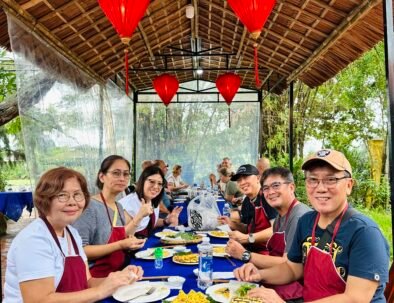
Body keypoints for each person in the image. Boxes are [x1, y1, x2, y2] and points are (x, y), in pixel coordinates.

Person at [234, 149, 390, 303]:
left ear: (349, 185)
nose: (321, 188)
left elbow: (355, 299)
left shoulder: (365, 233)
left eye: (331, 179)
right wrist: (259, 274)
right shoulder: (307, 221)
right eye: (313, 180)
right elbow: (292, 269)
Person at [4, 167, 143, 303]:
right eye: (62, 195)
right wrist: (101, 291)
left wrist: (120, 279)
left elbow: (87, 281)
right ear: (45, 200)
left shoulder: (72, 233)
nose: (72, 202)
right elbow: (39, 300)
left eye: (77, 194)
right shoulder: (33, 240)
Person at [227, 167, 310, 302]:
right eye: (266, 188)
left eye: (276, 185)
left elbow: (288, 264)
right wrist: (257, 273)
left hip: (296, 291)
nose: (270, 192)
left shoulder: (299, 216)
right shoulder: (280, 217)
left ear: (291, 187)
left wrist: (245, 255)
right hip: (278, 278)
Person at [73, 155, 146, 278]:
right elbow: (81, 251)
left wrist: (130, 244)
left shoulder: (119, 207)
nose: (122, 178)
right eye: (116, 173)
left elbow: (122, 241)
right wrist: (121, 244)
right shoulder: (90, 207)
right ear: (102, 177)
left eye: (126, 174)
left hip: (120, 272)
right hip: (97, 279)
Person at [218, 164, 277, 254]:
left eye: (246, 177)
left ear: (258, 178)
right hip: (251, 250)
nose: (242, 183)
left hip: (269, 253)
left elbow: (276, 230)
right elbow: (248, 228)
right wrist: (232, 224)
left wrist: (247, 238)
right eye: (239, 180)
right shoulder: (247, 201)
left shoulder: (267, 197)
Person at [119, 165, 183, 238]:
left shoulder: (153, 200)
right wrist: (140, 215)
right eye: (152, 181)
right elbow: (121, 235)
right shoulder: (129, 204)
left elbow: (148, 223)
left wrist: (167, 221)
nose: (156, 187)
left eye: (159, 184)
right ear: (142, 181)